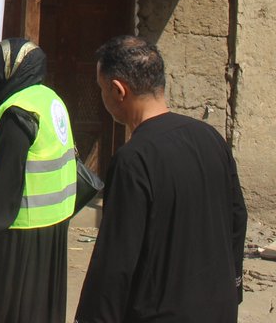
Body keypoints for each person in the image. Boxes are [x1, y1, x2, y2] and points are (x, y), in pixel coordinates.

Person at [75, 35, 247, 323]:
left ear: (118, 90)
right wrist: (232, 286)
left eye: (101, 89)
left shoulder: (133, 159)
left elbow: (117, 259)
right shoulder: (210, 138)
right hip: (218, 307)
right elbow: (237, 218)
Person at [0, 38, 77, 323]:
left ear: (15, 67)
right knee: (37, 304)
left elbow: (5, 176)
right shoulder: (49, 99)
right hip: (52, 221)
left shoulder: (17, 112)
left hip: (17, 227)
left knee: (6, 305)